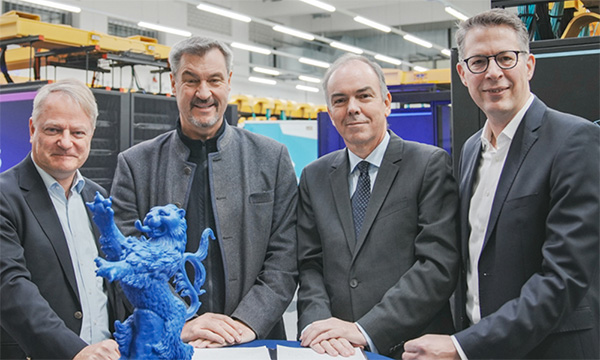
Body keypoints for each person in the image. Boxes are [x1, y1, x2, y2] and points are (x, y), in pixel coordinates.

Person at [403, 9, 599, 360]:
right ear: (463, 74)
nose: (493, 73)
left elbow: (563, 278)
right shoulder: (468, 151)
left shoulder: (574, 141)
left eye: (505, 58)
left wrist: (464, 346)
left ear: (529, 65)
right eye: (478, 61)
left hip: (550, 350)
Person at [109, 36, 298, 348]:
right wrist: (181, 319)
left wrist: (244, 323)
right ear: (173, 83)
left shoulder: (271, 158)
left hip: (252, 339)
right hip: (170, 341)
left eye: (214, 80)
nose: (204, 92)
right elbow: (128, 259)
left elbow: (286, 256)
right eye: (191, 80)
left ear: (229, 83)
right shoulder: (136, 164)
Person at [296, 53, 460, 359]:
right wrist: (318, 327)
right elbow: (310, 264)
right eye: (340, 100)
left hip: (413, 349)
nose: (352, 108)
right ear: (330, 112)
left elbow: (436, 266)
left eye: (363, 96)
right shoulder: (313, 176)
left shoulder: (428, 165)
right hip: (336, 351)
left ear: (386, 102)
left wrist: (365, 329)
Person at [0, 79, 126, 359]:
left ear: (90, 134)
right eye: (53, 129)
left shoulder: (97, 197)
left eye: (77, 132)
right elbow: (9, 287)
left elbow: (113, 283)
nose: (66, 142)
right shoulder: (5, 197)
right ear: (33, 129)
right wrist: (75, 352)